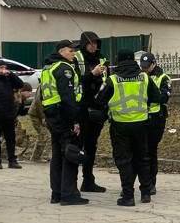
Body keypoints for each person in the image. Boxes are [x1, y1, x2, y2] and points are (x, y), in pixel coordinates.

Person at [95, 50, 161, 207]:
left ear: (118, 61)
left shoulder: (113, 79)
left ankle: (128, 196)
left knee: (124, 161)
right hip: (141, 124)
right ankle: (146, 193)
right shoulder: (144, 77)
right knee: (143, 159)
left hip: (120, 125)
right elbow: (157, 97)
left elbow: (99, 100)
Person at [40, 40, 87, 206]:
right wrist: (74, 120)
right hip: (63, 115)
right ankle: (69, 194)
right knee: (70, 153)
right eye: (70, 50)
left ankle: (57, 193)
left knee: (58, 155)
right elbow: (68, 97)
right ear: (61, 51)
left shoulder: (48, 67)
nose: (74, 53)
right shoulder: (64, 68)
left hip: (52, 114)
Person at [76, 31, 110, 193]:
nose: (93, 46)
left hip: (98, 108)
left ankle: (88, 180)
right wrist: (92, 74)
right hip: (81, 108)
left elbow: (108, 82)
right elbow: (76, 82)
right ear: (84, 44)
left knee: (91, 145)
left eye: (96, 43)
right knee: (77, 146)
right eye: (90, 43)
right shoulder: (77, 58)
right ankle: (70, 183)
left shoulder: (102, 59)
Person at [141, 52, 171, 196]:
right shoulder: (140, 77)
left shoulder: (163, 77)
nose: (145, 69)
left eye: (147, 66)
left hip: (156, 118)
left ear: (154, 64)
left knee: (151, 151)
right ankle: (143, 182)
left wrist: (149, 97)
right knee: (141, 152)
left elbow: (163, 97)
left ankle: (151, 183)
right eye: (143, 66)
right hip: (141, 117)